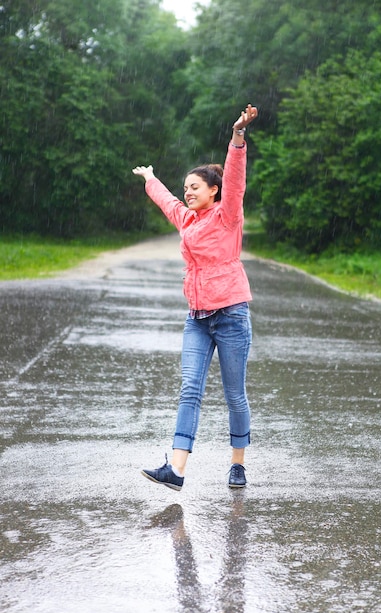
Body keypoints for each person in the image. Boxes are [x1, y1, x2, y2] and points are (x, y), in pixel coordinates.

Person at [132, 103, 258, 490]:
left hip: (232, 313)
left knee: (234, 394)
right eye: (186, 187)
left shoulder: (228, 215)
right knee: (190, 388)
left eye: (195, 187)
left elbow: (235, 179)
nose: (187, 193)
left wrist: (237, 137)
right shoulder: (187, 219)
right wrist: (151, 179)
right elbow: (167, 200)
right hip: (197, 317)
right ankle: (177, 470)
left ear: (213, 191)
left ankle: (237, 464)